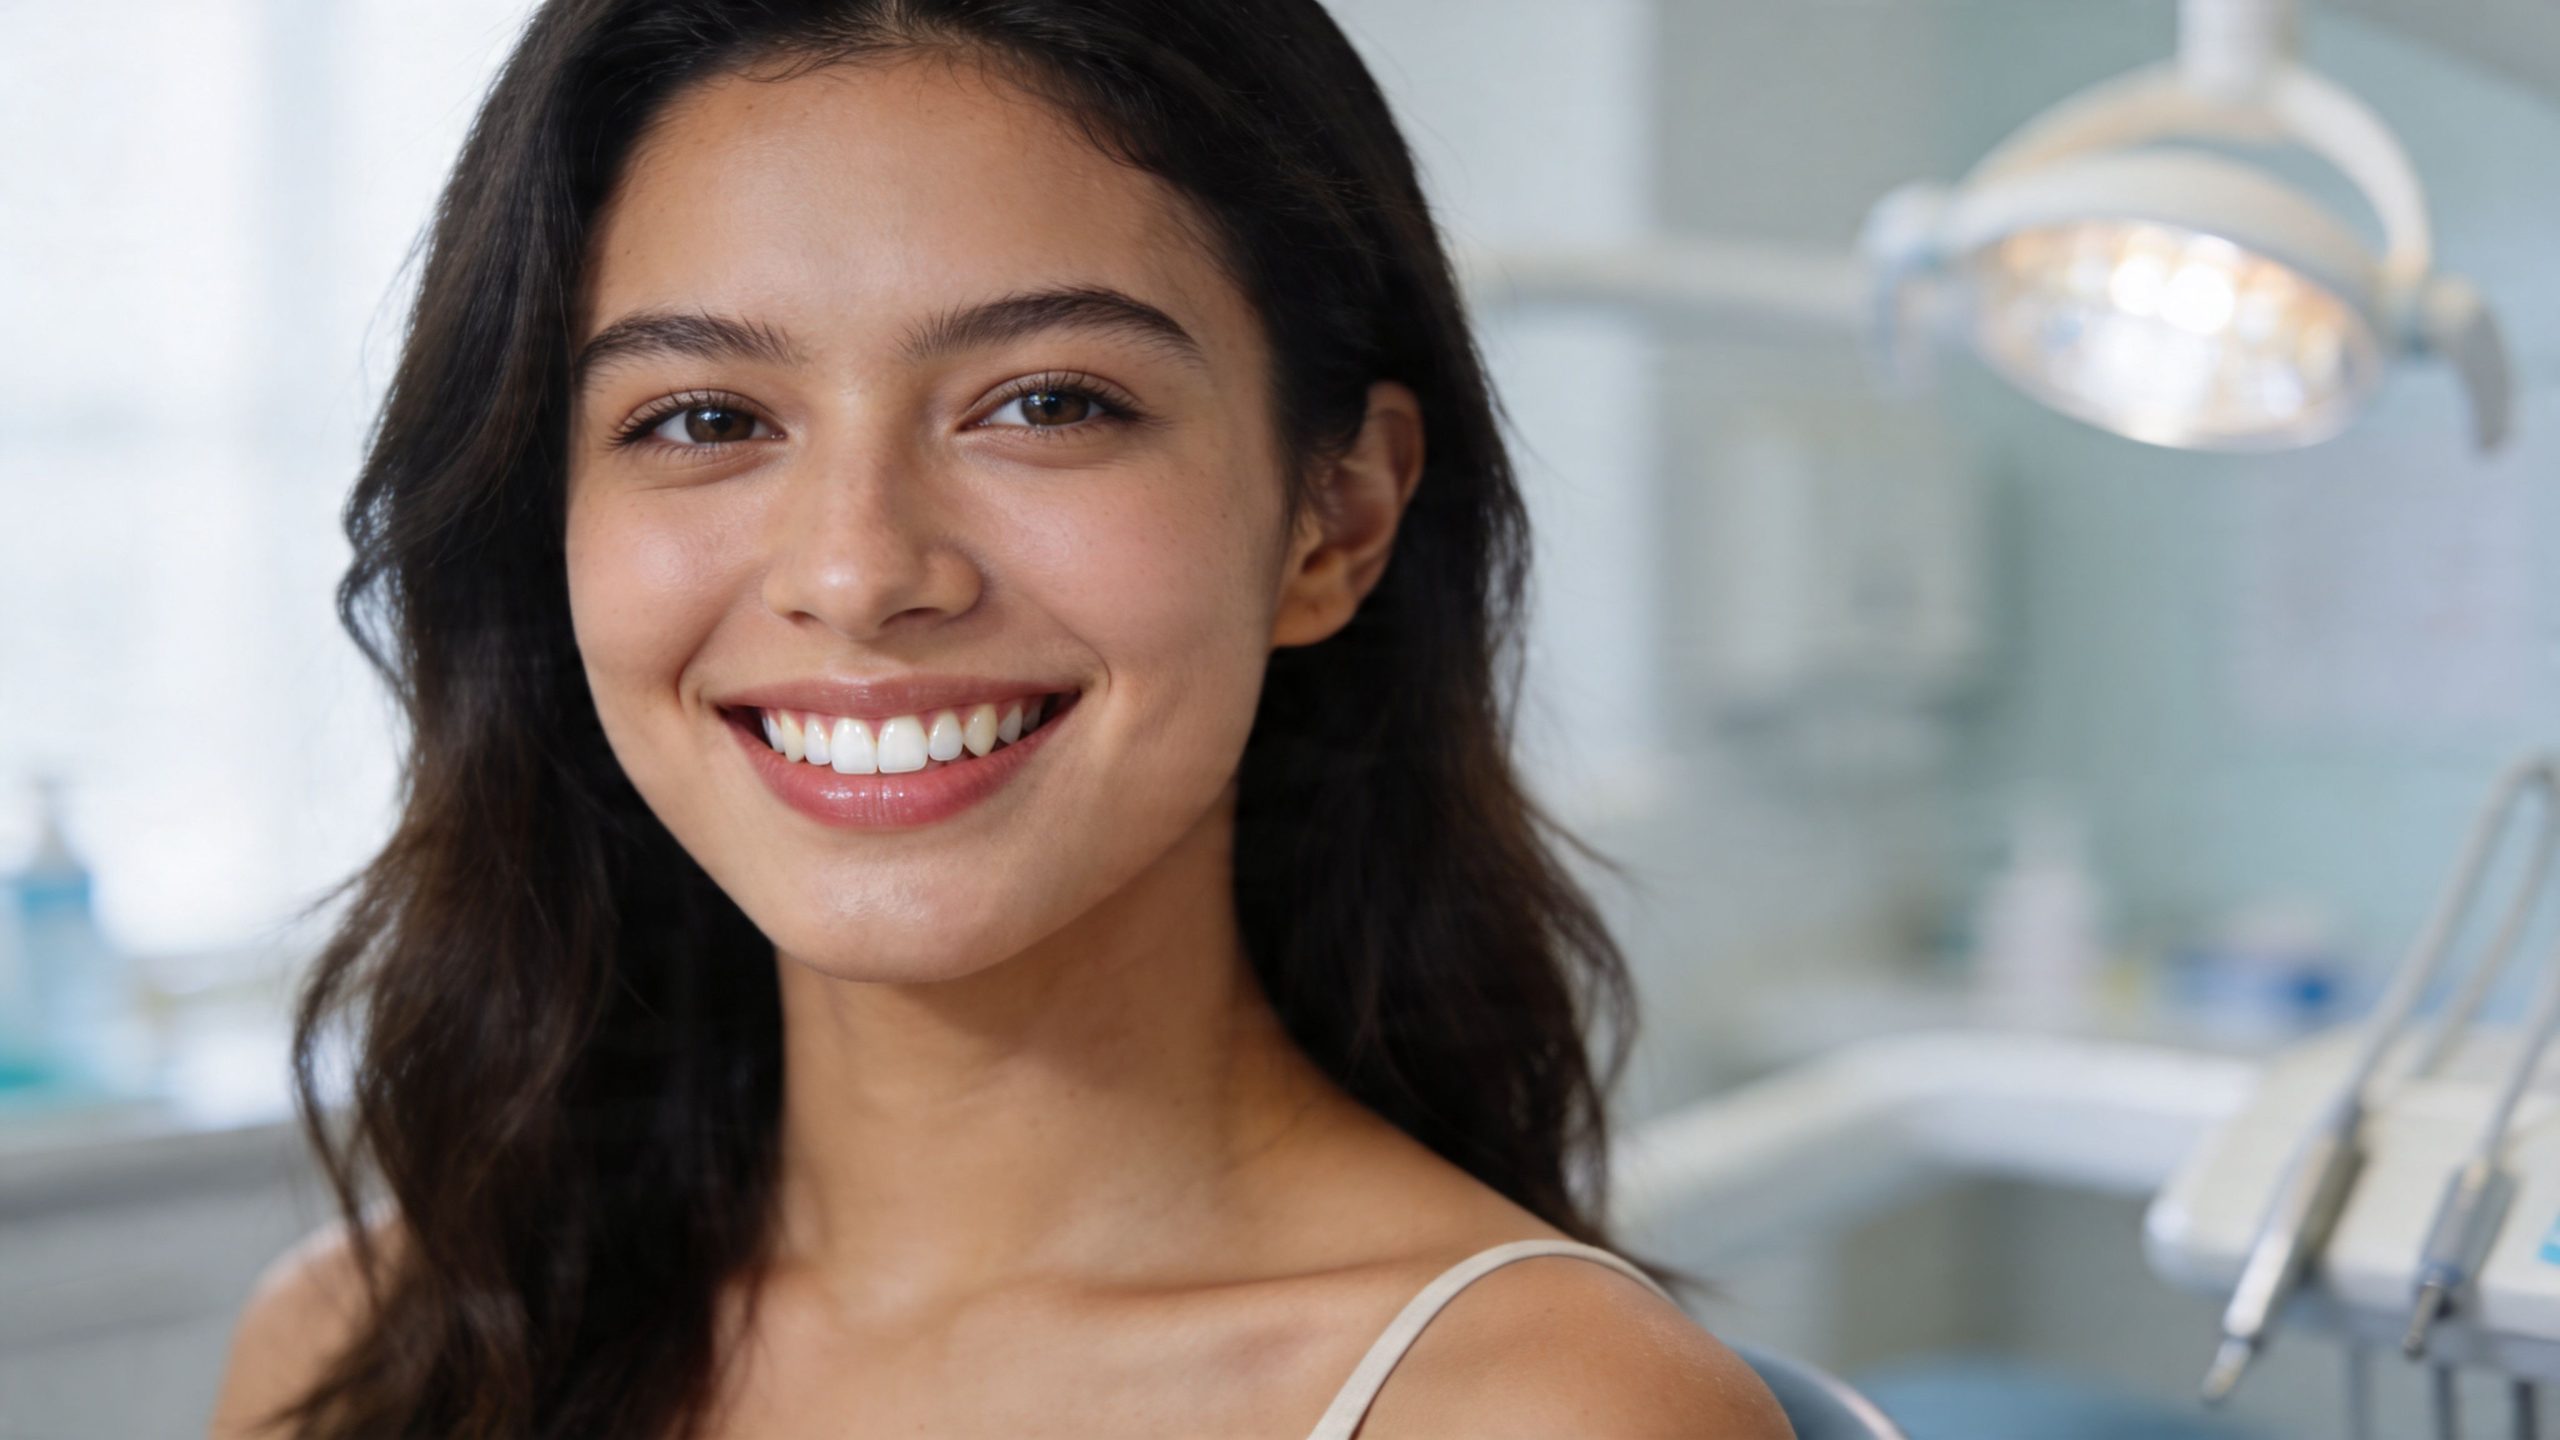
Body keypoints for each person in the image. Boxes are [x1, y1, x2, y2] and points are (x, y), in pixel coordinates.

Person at [208, 2, 1794, 1436]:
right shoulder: (365, 1354)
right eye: (703, 418)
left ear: (1337, 518)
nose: (857, 569)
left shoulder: (1543, 1414)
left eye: (1048, 402)